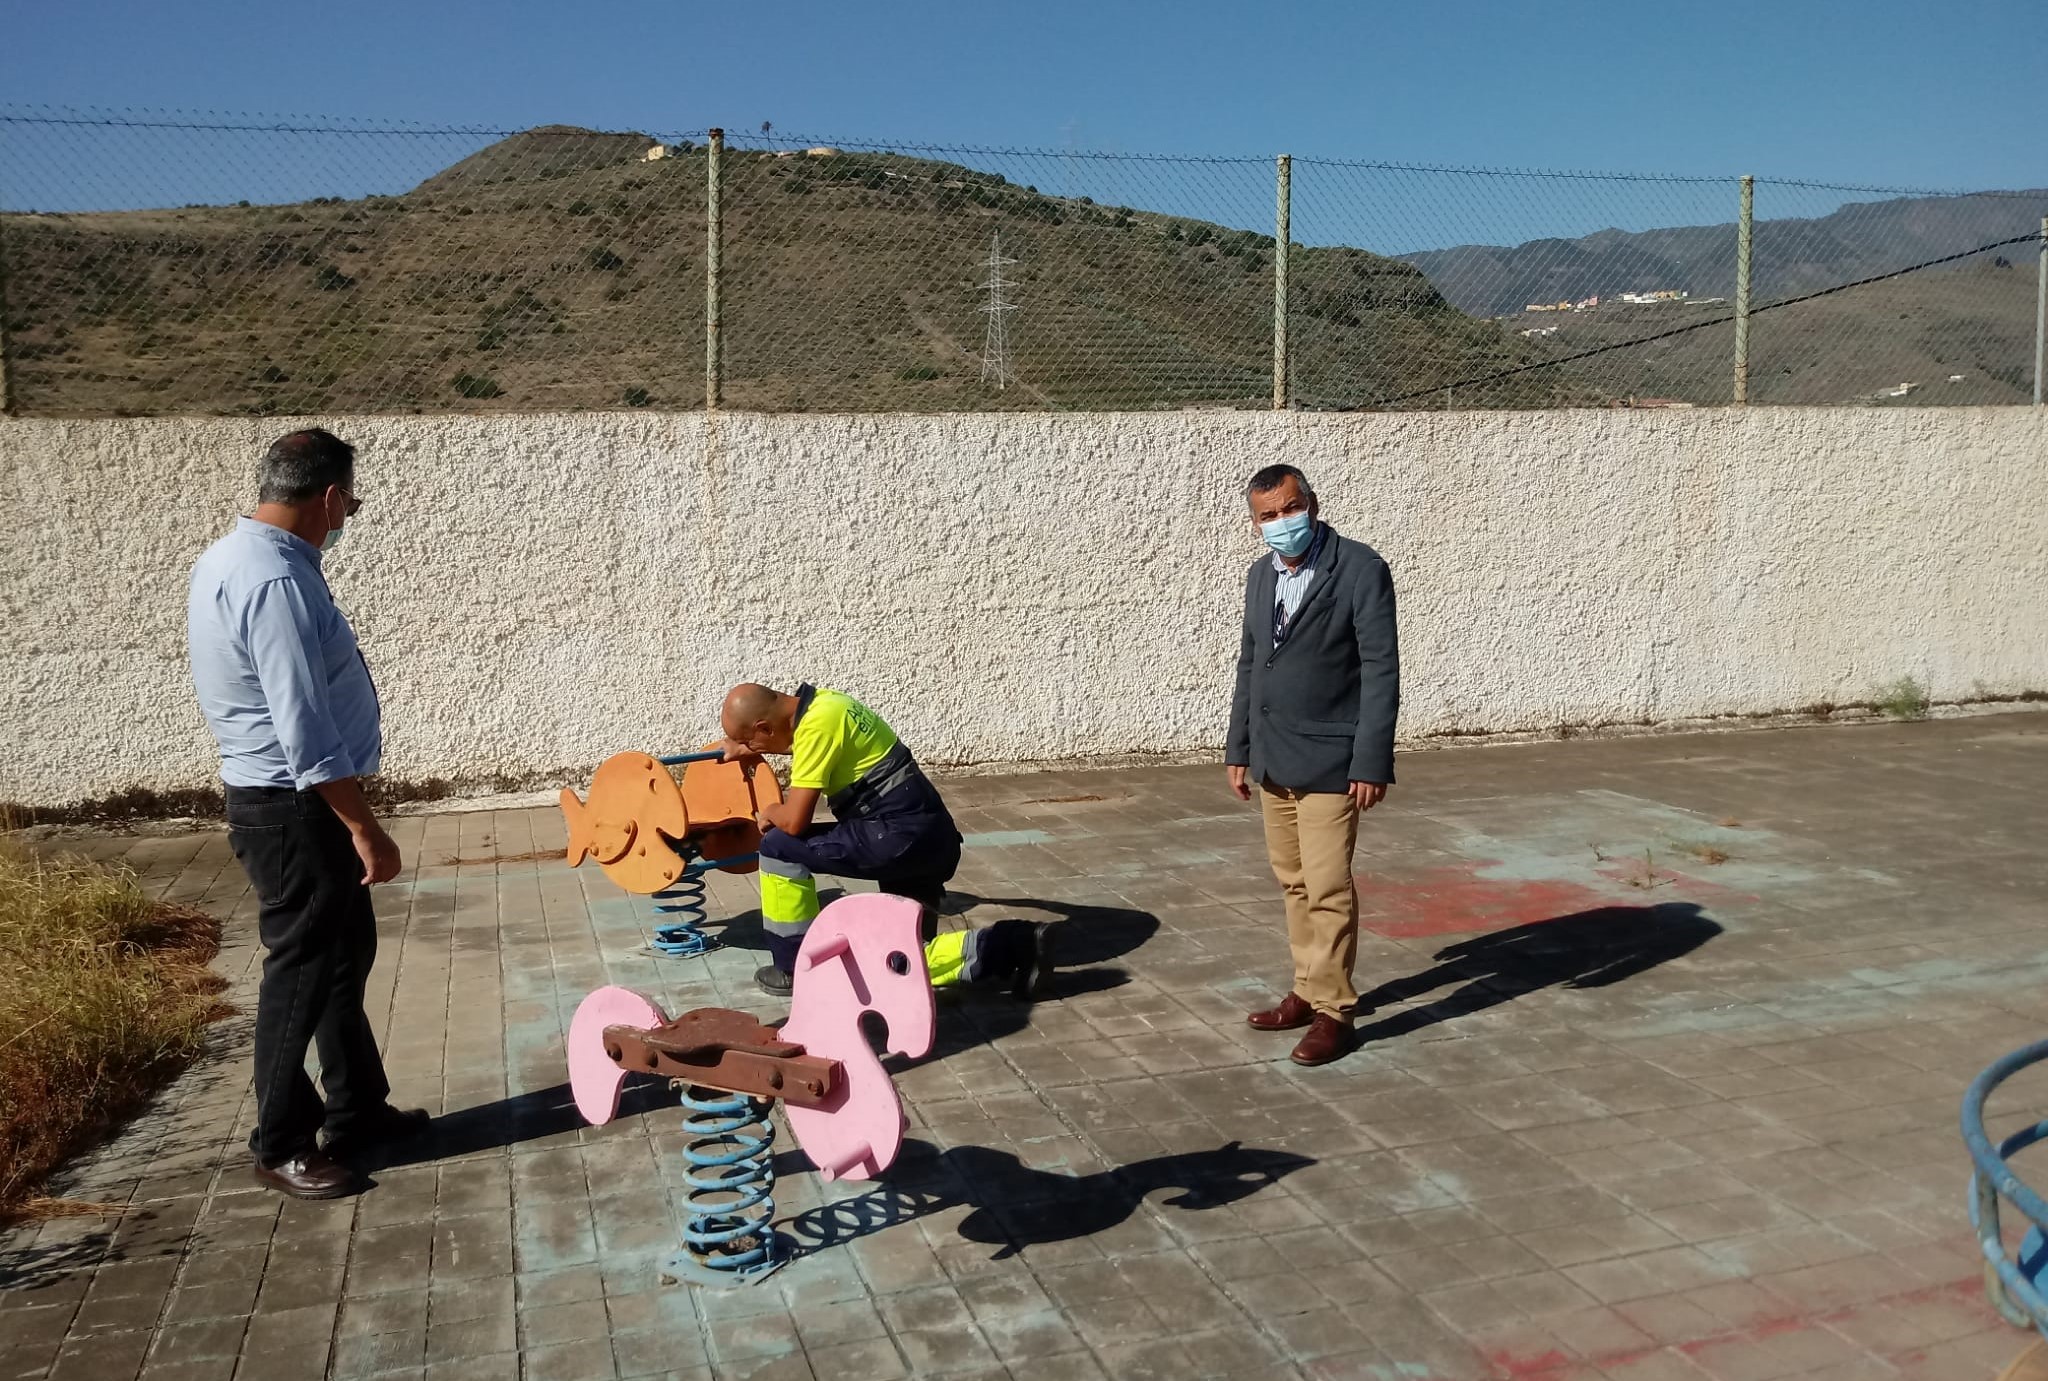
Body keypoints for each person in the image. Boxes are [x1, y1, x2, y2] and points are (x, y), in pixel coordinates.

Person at [187, 429, 427, 1199]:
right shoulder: (273, 580)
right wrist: (363, 825)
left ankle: (358, 1111)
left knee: (341, 959)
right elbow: (304, 727)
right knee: (301, 975)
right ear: (326, 497)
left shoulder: (237, 559)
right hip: (295, 811)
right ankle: (280, 1143)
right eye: (349, 503)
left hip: (286, 802)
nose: (347, 517)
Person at [1225, 464, 1400, 1067]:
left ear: (1313, 505)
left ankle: (1335, 1011)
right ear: (1255, 524)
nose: (1282, 523)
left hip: (1333, 757)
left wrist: (1372, 759)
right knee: (1293, 881)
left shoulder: (1359, 568)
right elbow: (1252, 665)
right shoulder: (1259, 577)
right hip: (1273, 755)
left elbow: (1380, 668)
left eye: (1290, 509)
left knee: (1327, 885)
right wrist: (1239, 748)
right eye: (1268, 516)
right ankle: (1307, 987)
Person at [719, 683, 1048, 1000]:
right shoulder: (829, 704)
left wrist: (772, 810)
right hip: (928, 837)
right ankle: (1019, 943)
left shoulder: (815, 729)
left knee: (778, 847)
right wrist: (746, 746)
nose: (757, 749)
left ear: (764, 727)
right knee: (901, 962)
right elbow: (803, 743)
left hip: (896, 839)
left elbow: (793, 821)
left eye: (754, 741)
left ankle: (793, 967)